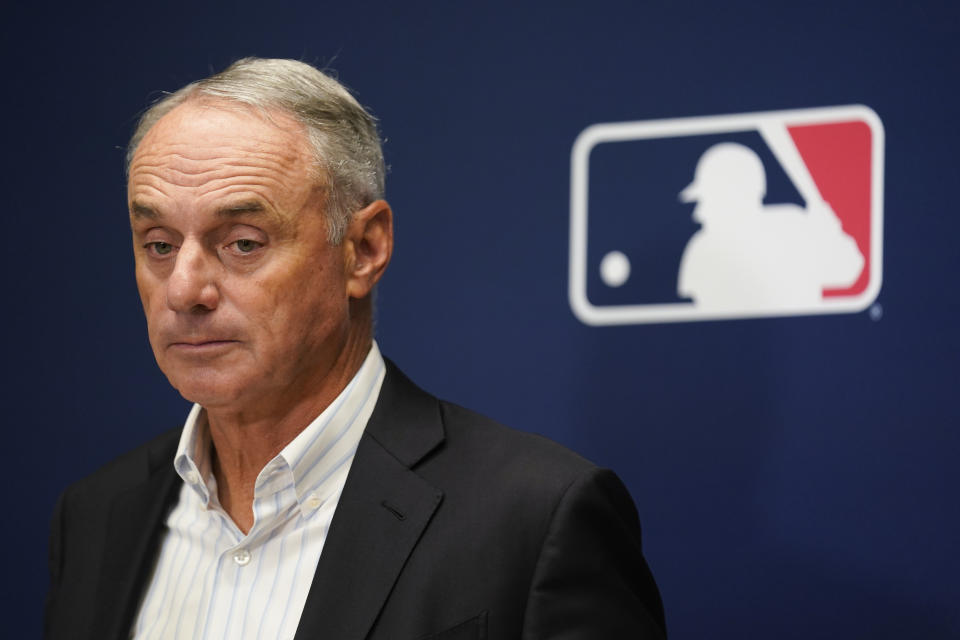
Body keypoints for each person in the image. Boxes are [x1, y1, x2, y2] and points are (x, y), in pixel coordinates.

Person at [44, 57, 666, 640]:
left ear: (363, 249)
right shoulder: (96, 516)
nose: (184, 290)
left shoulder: (534, 518)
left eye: (242, 242)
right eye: (158, 244)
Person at [678, 142, 863, 312]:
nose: (699, 213)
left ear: (735, 196)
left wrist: (829, 235)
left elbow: (849, 270)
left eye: (708, 200)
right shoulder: (703, 247)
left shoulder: (794, 228)